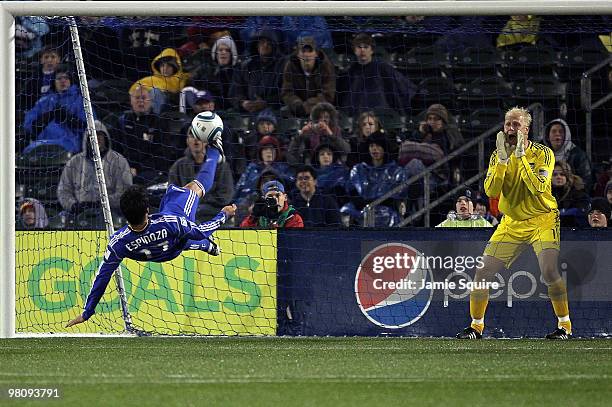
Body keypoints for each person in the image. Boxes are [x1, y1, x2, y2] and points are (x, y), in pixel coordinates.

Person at [66, 125, 235, 327]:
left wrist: (87, 312)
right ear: (148, 210)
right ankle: (216, 152)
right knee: (194, 187)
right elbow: (201, 231)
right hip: (172, 238)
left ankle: (199, 244)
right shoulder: (170, 223)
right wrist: (223, 215)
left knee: (178, 229)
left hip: (155, 253)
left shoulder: (118, 242)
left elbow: (102, 276)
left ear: (125, 215)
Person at [457, 107, 572, 340]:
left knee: (549, 270)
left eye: (516, 125)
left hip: (543, 219)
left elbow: (539, 187)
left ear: (526, 130)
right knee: (482, 272)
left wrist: (520, 158)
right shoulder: (497, 155)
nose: (511, 129)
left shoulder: (544, 154)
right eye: (508, 124)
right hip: (511, 223)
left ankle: (565, 326)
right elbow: (491, 190)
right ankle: (476, 327)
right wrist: (501, 161)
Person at [57, 120, 133, 221]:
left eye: (100, 136)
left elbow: (125, 192)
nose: (97, 139)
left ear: (106, 138)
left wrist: (103, 202)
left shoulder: (119, 161)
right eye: (93, 136)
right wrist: (73, 205)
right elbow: (63, 191)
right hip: (78, 213)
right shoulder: (74, 162)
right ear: (87, 139)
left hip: (112, 213)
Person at [338, 33, 417, 116]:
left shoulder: (384, 69)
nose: (362, 50)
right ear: (354, 50)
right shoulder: (349, 73)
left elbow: (405, 91)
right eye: (359, 47)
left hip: (383, 115)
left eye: (366, 47)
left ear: (372, 50)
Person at [168, 125, 234, 222]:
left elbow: (225, 196)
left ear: (206, 141)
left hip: (213, 211)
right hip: (185, 212)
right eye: (192, 136)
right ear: (187, 140)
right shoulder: (178, 165)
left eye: (199, 137)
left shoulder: (221, 165)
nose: (196, 140)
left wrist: (196, 202)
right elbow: (172, 194)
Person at [116, 85, 178, 185]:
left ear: (150, 100)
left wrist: (138, 169)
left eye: (144, 98)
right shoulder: (122, 121)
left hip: (151, 170)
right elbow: (117, 150)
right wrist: (127, 168)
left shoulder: (159, 122)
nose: (140, 101)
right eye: (137, 98)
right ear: (131, 101)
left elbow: (163, 154)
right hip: (126, 169)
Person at [23, 64, 88, 154]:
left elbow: (89, 125)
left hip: (70, 142)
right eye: (59, 78)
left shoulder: (80, 100)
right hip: (42, 143)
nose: (63, 81)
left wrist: (69, 119)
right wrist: (47, 116)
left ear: (71, 81)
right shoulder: (43, 101)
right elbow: (28, 124)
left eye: (66, 78)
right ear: (54, 82)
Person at [230, 30, 284, 114]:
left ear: (274, 46)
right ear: (256, 45)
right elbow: (234, 92)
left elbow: (286, 93)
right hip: (247, 113)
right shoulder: (245, 66)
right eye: (262, 42)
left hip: (275, 112)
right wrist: (243, 102)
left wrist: (267, 103)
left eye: (269, 43)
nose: (265, 45)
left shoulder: (283, 65)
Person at [281, 36, 335, 117]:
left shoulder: (326, 66)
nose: (306, 54)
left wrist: (307, 106)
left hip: (320, 111)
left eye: (310, 51)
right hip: (296, 110)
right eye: (303, 51)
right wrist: (296, 103)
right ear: (298, 54)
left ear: (316, 53)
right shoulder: (290, 66)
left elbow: (328, 95)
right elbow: (287, 92)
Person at [286, 102, 351, 166]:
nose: (323, 120)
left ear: (331, 119)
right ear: (316, 119)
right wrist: (300, 136)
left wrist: (331, 135)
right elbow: (291, 157)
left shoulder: (336, 130)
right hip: (313, 167)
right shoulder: (309, 132)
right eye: (320, 117)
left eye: (326, 117)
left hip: (333, 167)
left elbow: (347, 151)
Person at [130, 48, 191, 114]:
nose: (165, 69)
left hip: (170, 107)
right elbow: (134, 91)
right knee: (155, 91)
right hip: (148, 110)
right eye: (162, 66)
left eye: (169, 66)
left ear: (175, 68)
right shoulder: (150, 80)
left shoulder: (182, 79)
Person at [544, 118, 592, 193]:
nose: (557, 134)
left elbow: (587, 181)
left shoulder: (578, 155)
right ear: (548, 136)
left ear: (567, 135)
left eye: (561, 131)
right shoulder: (543, 155)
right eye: (554, 131)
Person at [551, 161, 590, 226]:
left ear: (567, 176)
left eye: (562, 174)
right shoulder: (544, 194)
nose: (558, 177)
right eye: (555, 175)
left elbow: (581, 212)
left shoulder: (579, 194)